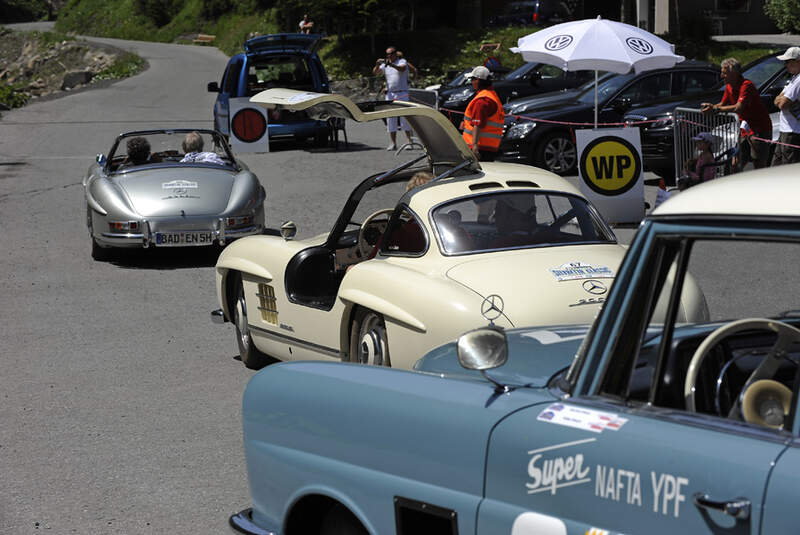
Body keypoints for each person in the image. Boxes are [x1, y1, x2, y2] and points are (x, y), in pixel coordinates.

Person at [701, 58, 772, 170]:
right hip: (745, 129)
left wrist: (715, 109)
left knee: (758, 164)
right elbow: (722, 104)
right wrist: (711, 106)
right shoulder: (729, 86)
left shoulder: (746, 85)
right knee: (736, 162)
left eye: (724, 73)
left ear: (734, 73)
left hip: (759, 129)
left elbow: (738, 107)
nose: (721, 76)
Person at [373, 46, 414, 150]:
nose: (389, 56)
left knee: (405, 117)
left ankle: (409, 141)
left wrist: (390, 64)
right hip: (390, 93)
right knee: (391, 118)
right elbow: (375, 73)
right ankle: (393, 143)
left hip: (402, 93)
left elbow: (402, 69)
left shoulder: (402, 61)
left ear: (395, 54)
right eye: (387, 54)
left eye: (391, 54)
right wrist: (377, 65)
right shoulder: (385, 64)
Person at [461, 65, 505, 162]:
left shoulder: (482, 100)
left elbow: (478, 124)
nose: (471, 82)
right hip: (489, 147)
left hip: (479, 148)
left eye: (472, 79)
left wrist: (475, 145)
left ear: (478, 80)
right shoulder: (491, 95)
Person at [772, 47, 800, 166]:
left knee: (788, 171)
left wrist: (782, 100)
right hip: (786, 131)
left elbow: (782, 103)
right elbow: (777, 100)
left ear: (798, 61)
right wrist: (782, 100)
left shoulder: (799, 80)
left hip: (792, 132)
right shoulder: (794, 78)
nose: (785, 65)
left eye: (788, 62)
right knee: (776, 168)